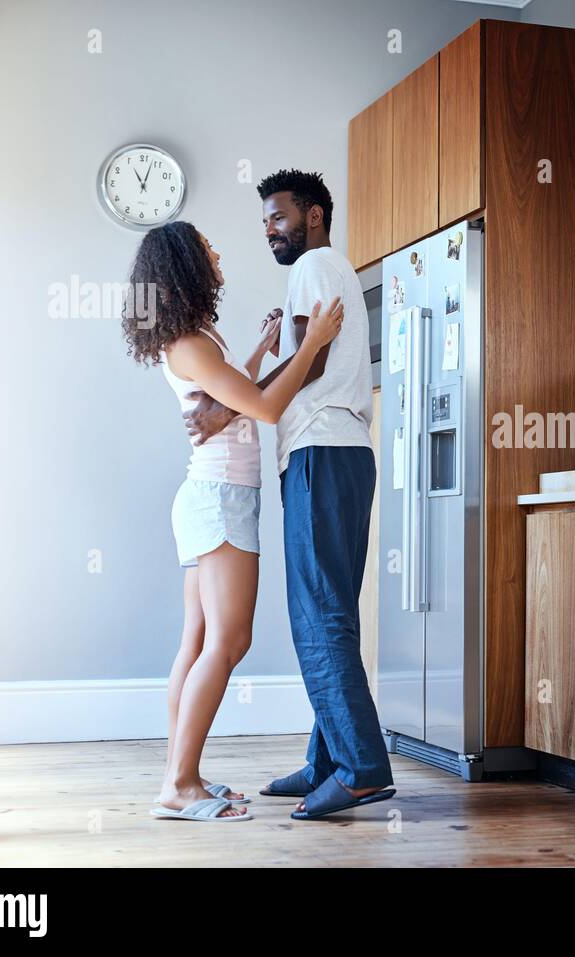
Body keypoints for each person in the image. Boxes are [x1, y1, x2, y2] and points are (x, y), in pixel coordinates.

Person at [183, 170, 395, 820]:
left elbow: (315, 363)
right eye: (265, 221)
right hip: (340, 453)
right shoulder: (328, 267)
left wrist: (222, 410)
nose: (270, 229)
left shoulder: (313, 266)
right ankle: (327, 758)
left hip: (321, 453)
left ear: (314, 213)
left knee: (318, 615)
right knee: (329, 610)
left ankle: (360, 769)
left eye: (278, 216)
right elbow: (310, 356)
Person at [120, 220, 342, 822]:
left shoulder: (197, 335)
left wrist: (262, 351)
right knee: (228, 639)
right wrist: (312, 345)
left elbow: (228, 398)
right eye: (206, 249)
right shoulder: (189, 343)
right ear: (184, 266)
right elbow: (265, 408)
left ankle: (181, 774)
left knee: (196, 642)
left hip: (211, 494)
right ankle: (179, 785)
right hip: (220, 498)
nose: (217, 252)